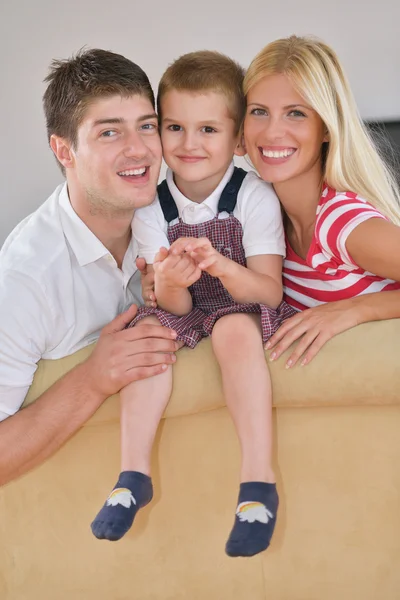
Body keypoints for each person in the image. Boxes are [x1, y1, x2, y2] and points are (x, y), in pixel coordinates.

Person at [90, 50, 296, 558]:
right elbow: (176, 309)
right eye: (175, 127)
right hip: (188, 305)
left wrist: (221, 266)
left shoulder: (254, 197)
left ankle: (257, 482)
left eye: (208, 129)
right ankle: (131, 475)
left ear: (238, 139)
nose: (189, 144)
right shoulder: (152, 205)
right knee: (148, 337)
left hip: (242, 303)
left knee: (231, 331)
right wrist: (172, 279)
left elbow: (269, 291)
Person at [0, 49, 181, 488]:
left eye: (146, 126)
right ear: (64, 150)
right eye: (109, 133)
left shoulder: (184, 222)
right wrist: (94, 379)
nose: (138, 149)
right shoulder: (25, 281)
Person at [242, 35, 400, 368]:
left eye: (295, 113)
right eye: (259, 112)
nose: (272, 132)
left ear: (326, 128)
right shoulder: (262, 219)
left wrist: (357, 310)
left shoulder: (340, 223)